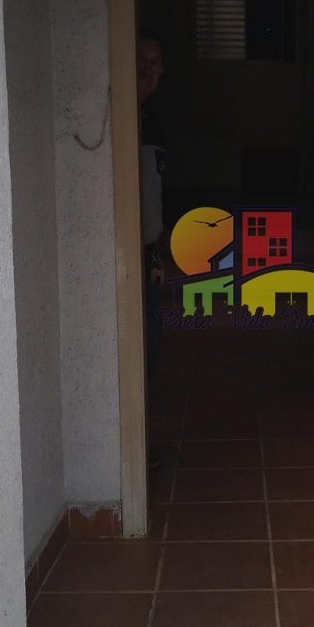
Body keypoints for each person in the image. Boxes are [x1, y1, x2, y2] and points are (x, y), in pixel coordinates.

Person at [137, 32, 168, 380]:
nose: (148, 70)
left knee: (152, 337)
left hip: (149, 251)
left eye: (154, 63)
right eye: (141, 62)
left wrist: (158, 254)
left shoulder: (152, 121)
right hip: (128, 251)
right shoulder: (124, 120)